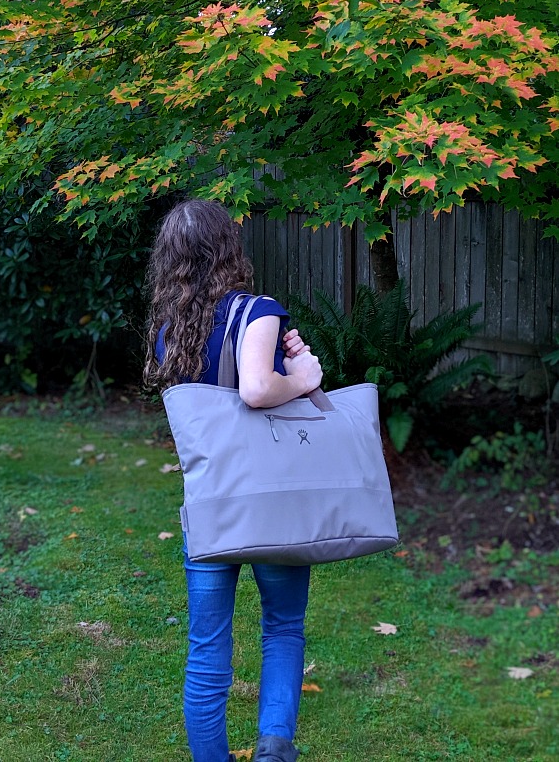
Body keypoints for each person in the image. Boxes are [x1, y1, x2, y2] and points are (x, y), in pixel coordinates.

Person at [144, 199, 323, 762]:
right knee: (283, 628)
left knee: (206, 651)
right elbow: (255, 390)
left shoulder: (168, 332)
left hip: (210, 506)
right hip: (274, 500)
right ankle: (273, 750)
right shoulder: (259, 311)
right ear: (229, 248)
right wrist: (305, 377)